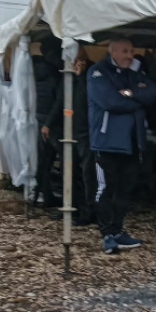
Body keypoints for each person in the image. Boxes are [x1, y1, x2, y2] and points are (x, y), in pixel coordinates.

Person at [88, 37, 156, 254]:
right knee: (105, 189)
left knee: (124, 190)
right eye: (125, 51)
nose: (130, 55)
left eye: (131, 50)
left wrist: (129, 93)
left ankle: (118, 231)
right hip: (107, 143)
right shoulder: (97, 72)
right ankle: (106, 234)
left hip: (132, 143)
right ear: (112, 52)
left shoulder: (134, 73)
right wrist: (137, 100)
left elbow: (152, 93)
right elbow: (110, 101)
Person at [44, 45, 97, 226]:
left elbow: (86, 97)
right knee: (70, 171)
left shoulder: (92, 72)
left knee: (87, 174)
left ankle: (89, 211)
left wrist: (80, 76)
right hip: (72, 129)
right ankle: (72, 206)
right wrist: (48, 123)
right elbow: (61, 99)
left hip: (87, 131)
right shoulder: (67, 75)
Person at [34, 38, 64, 211]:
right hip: (53, 122)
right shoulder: (55, 74)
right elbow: (59, 101)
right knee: (64, 159)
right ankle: (57, 197)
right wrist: (50, 122)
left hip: (39, 118)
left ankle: (43, 194)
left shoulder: (35, 71)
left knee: (44, 161)